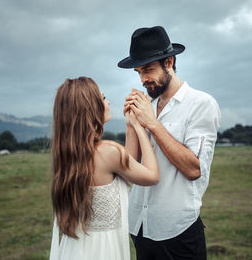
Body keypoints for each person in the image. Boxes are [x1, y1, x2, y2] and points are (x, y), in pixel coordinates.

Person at [118, 26, 221, 260]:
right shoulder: (148, 106)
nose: (143, 79)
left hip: (178, 231)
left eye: (148, 69)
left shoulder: (201, 103)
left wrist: (152, 124)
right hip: (140, 227)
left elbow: (194, 169)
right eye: (138, 72)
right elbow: (130, 168)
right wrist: (131, 124)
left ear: (169, 62)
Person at [49, 77, 159, 260]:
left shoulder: (69, 156)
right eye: (103, 97)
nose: (108, 102)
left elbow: (126, 170)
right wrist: (142, 127)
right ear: (90, 107)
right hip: (103, 251)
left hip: (75, 248)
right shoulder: (108, 151)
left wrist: (130, 126)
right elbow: (152, 176)